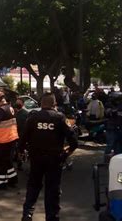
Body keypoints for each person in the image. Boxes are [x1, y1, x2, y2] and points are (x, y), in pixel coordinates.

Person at [19, 93, 78, 221]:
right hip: (55, 159)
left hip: (36, 158)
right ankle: (52, 217)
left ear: (41, 103)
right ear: (54, 103)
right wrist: (66, 153)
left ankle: (27, 214)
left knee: (33, 186)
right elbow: (74, 141)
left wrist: (22, 152)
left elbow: (23, 139)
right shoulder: (60, 118)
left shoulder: (33, 117)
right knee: (52, 190)